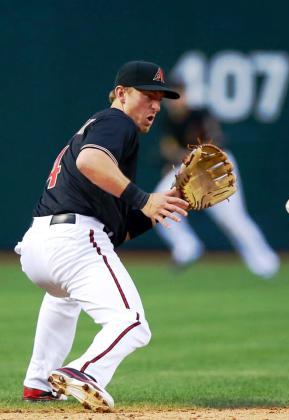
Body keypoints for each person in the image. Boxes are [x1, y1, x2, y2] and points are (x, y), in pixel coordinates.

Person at [14, 61, 189, 412]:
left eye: (160, 98)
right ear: (121, 94)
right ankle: (83, 372)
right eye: (148, 95)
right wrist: (144, 198)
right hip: (73, 239)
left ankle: (39, 383)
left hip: (38, 245)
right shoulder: (116, 122)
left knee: (64, 297)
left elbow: (121, 228)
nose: (156, 105)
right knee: (133, 324)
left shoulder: (103, 131)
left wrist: (174, 197)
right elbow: (90, 162)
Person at [154, 80, 280, 278]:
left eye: (178, 95)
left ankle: (267, 264)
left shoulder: (199, 115)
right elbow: (169, 150)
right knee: (160, 201)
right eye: (170, 97)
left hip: (216, 166)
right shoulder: (168, 121)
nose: (175, 101)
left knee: (233, 220)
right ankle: (186, 247)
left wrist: (181, 157)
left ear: (185, 95)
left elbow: (212, 144)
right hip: (190, 170)